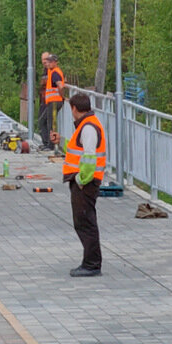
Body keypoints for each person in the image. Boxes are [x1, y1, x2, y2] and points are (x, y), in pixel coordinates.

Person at [63, 92, 106, 277]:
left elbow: (89, 158)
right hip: (85, 181)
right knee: (84, 221)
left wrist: (81, 180)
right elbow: (79, 151)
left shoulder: (88, 128)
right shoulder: (89, 124)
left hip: (85, 183)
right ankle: (91, 262)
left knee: (85, 222)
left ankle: (92, 264)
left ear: (74, 108)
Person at [37, 53, 65, 151]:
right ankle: (46, 143)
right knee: (43, 121)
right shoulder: (51, 71)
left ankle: (51, 145)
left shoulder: (55, 73)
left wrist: (62, 96)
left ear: (55, 62)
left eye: (50, 61)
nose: (48, 63)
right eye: (47, 61)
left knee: (51, 123)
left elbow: (60, 86)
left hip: (55, 101)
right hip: (51, 102)